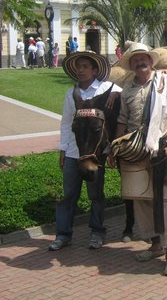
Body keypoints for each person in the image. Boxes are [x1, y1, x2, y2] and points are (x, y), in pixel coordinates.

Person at [110, 41, 167, 276]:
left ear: (151, 62)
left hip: (161, 151)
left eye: (144, 59)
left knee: (164, 201)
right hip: (134, 151)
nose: (141, 63)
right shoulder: (127, 90)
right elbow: (122, 119)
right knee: (141, 200)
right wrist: (115, 146)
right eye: (135, 60)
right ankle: (155, 245)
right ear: (131, 65)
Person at [48, 51, 122, 251]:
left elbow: (125, 96)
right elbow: (65, 123)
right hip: (74, 152)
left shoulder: (107, 88)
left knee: (95, 194)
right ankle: (63, 234)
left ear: (95, 70)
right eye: (78, 67)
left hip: (95, 155)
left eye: (85, 67)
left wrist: (117, 94)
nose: (81, 71)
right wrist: (63, 149)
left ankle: (97, 232)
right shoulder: (71, 94)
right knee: (69, 194)